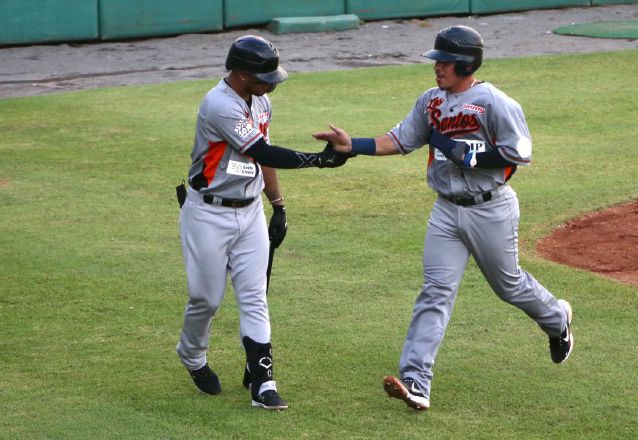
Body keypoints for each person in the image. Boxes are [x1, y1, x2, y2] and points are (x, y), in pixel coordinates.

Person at [313, 26, 573, 411]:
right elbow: (400, 140)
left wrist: (468, 154)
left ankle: (556, 319)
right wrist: (354, 147)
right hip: (446, 211)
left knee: (508, 286)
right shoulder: (430, 102)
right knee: (435, 292)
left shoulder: (495, 102)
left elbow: (519, 153)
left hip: (490, 207)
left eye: (445, 62)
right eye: (436, 61)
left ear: (466, 63)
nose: (437, 68)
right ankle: (416, 381)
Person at [176, 35, 348, 411]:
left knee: (254, 295)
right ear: (239, 74)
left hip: (250, 209)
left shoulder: (261, 100)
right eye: (263, 76)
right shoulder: (219, 104)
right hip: (208, 212)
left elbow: (259, 158)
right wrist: (319, 161)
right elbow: (262, 151)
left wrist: (278, 204)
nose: (272, 83)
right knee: (205, 299)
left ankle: (263, 381)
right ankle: (191, 356)